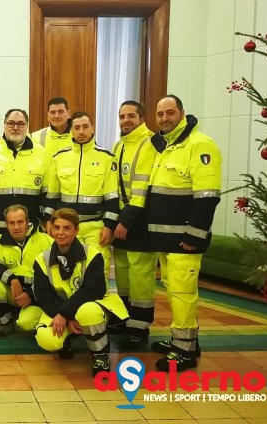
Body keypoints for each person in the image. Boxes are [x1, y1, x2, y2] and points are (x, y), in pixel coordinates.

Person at [148, 95, 221, 371]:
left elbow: (207, 196)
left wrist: (194, 235)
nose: (165, 118)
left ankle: (183, 353)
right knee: (174, 291)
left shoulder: (200, 145)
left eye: (170, 113)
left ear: (182, 113)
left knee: (182, 293)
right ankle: (185, 341)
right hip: (167, 239)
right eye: (160, 114)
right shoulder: (165, 147)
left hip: (185, 240)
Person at [0, 108, 50, 326]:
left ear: (27, 125)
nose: (15, 127)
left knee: (29, 264)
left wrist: (47, 219)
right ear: (4, 125)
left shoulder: (41, 154)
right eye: (11, 123)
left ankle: (29, 304)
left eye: (20, 123)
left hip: (30, 229)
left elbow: (49, 192)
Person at [32, 208, 129, 376]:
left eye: (67, 228)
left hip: (92, 305)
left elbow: (93, 290)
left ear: (76, 231)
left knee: (87, 312)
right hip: (60, 307)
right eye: (56, 228)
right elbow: (44, 296)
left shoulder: (93, 254)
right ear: (50, 229)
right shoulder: (42, 259)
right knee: (47, 339)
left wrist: (65, 314)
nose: (60, 233)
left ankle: (100, 354)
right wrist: (66, 317)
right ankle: (66, 340)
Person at [45, 111, 119, 278]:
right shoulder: (59, 158)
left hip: (96, 228)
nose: (81, 131)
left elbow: (112, 197)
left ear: (92, 128)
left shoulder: (106, 158)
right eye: (76, 128)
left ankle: (96, 305)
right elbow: (52, 196)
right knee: (68, 272)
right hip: (66, 228)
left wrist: (109, 226)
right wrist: (49, 221)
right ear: (71, 130)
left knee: (97, 271)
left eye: (85, 127)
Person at [110, 101, 159, 349]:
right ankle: (126, 319)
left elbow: (143, 189)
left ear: (142, 118)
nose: (125, 120)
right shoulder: (119, 145)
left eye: (131, 116)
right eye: (122, 116)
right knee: (122, 272)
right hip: (121, 219)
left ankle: (139, 328)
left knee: (140, 275)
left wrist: (126, 221)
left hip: (139, 220)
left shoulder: (150, 143)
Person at [0, 204, 53, 339]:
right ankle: (7, 323)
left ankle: (42, 320)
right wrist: (13, 280)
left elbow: (54, 277)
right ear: (7, 224)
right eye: (12, 223)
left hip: (37, 296)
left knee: (26, 324)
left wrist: (31, 295)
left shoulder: (45, 241)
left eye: (20, 222)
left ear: (28, 222)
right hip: (15, 293)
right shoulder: (2, 240)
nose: (16, 227)